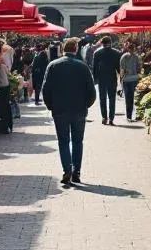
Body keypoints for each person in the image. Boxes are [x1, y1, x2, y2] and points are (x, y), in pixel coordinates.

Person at [41, 38, 95, 186]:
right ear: (76, 49)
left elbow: (45, 89)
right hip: (79, 110)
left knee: (63, 141)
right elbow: (92, 91)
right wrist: (86, 105)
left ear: (63, 49)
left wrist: (50, 106)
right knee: (78, 141)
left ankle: (67, 169)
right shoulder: (83, 67)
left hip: (60, 110)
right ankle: (77, 171)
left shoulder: (53, 65)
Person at [91, 36, 122, 125]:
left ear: (102, 43)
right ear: (110, 43)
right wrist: (121, 78)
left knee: (102, 98)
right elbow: (118, 68)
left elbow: (95, 68)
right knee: (112, 99)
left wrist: (95, 78)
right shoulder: (116, 53)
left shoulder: (97, 53)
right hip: (112, 78)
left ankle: (104, 117)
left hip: (102, 78)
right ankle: (111, 118)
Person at [118, 41, 142, 121]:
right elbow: (139, 69)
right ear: (134, 49)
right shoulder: (137, 57)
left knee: (127, 98)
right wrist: (138, 75)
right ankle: (130, 115)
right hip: (134, 79)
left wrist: (121, 79)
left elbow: (121, 70)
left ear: (127, 49)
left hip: (126, 79)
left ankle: (128, 116)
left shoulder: (123, 57)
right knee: (131, 97)